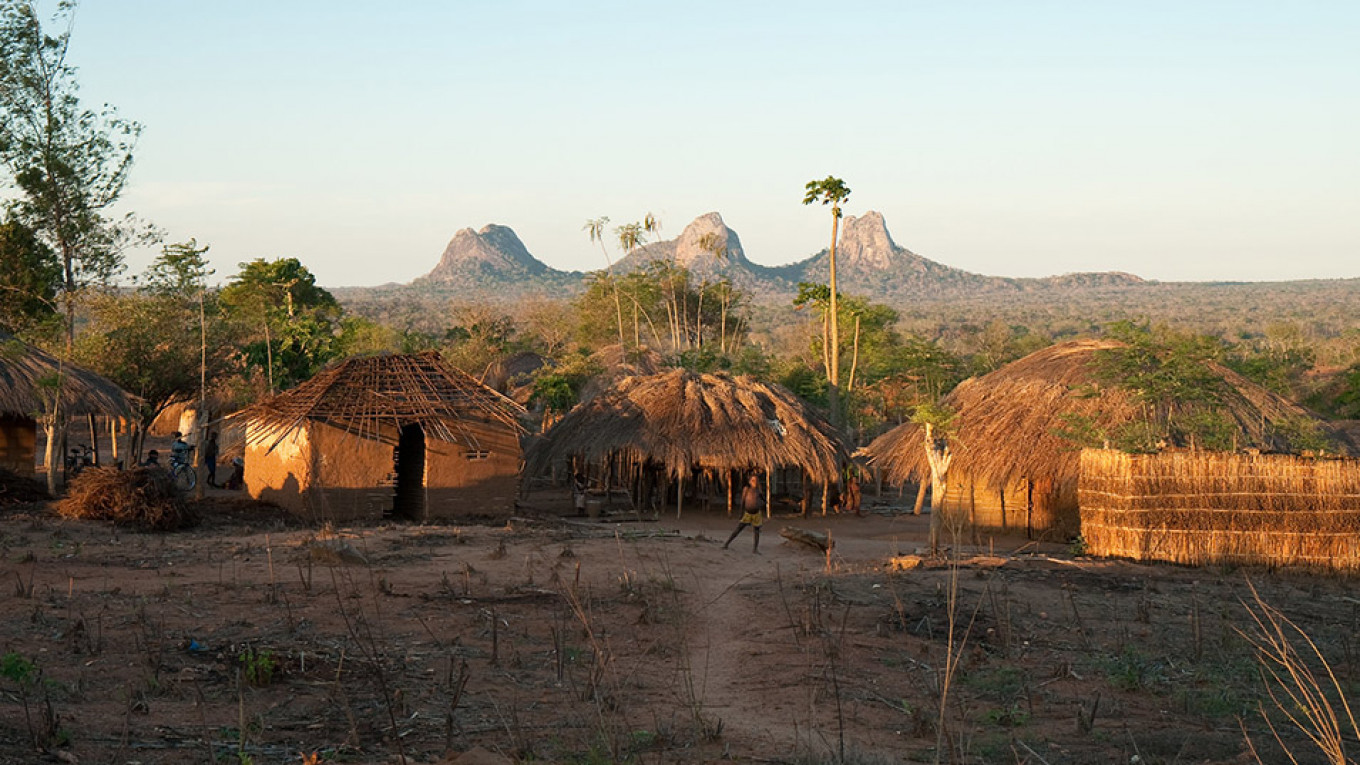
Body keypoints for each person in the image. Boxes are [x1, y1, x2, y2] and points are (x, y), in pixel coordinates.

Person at [723, 474, 764, 554]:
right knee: (738, 529)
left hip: (756, 514)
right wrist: (740, 513)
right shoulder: (746, 489)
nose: (754, 482)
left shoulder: (759, 491)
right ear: (749, 481)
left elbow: (763, 500)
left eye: (756, 481)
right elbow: (742, 501)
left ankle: (755, 549)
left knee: (756, 532)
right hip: (747, 513)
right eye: (753, 480)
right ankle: (727, 543)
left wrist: (760, 503)